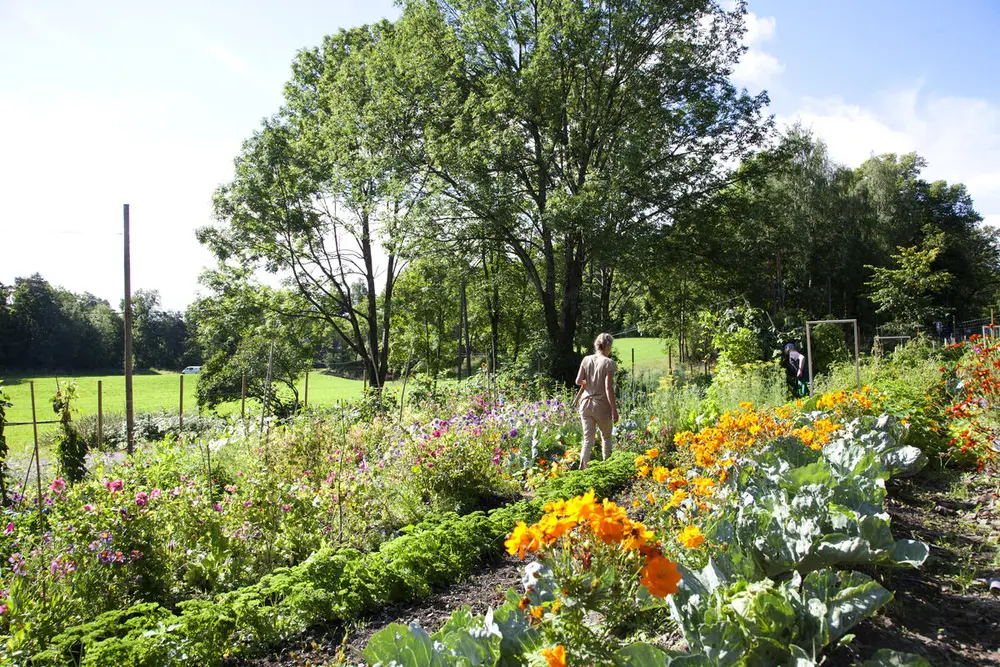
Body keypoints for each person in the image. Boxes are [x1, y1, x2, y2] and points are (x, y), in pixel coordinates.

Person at [575, 333, 619, 469]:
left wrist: (587, 382)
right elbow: (608, 388)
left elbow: (578, 381)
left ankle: (583, 470)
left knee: (588, 439)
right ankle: (608, 468)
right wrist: (614, 409)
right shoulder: (609, 363)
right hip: (601, 406)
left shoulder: (586, 359)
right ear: (608, 346)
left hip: (585, 404)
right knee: (606, 437)